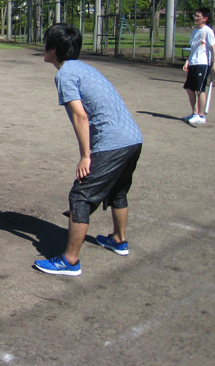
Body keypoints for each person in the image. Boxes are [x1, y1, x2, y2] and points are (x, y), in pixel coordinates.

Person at [35, 23, 143, 276]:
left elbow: (80, 117)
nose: (43, 47)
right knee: (117, 191)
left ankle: (69, 261)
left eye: (45, 43)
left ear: (53, 49)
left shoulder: (64, 75)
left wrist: (86, 156)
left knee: (80, 196)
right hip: (133, 137)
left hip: (112, 143)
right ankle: (118, 240)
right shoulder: (84, 68)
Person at [182, 7, 214, 124]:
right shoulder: (195, 31)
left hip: (203, 64)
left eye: (198, 16)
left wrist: (214, 63)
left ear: (205, 19)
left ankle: (201, 116)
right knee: (189, 89)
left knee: (200, 90)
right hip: (193, 63)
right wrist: (188, 61)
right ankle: (194, 113)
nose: (195, 18)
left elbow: (213, 47)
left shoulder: (207, 31)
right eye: (195, 16)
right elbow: (193, 49)